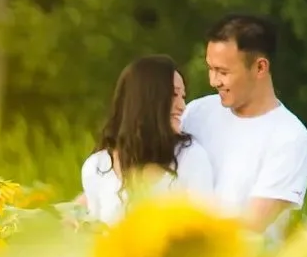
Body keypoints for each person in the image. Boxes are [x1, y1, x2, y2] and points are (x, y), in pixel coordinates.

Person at [177, 13, 307, 237]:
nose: (214, 81)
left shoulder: (290, 139)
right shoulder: (197, 112)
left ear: (260, 68)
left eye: (223, 72)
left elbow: (252, 225)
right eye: (210, 69)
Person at [78, 54, 216, 224]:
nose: (182, 106)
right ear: (146, 98)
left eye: (183, 96)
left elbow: (204, 228)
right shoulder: (96, 167)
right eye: (174, 95)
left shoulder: (190, 157)